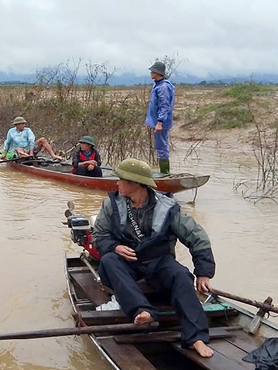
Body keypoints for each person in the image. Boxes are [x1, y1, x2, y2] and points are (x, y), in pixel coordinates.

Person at [92, 158, 216, 358]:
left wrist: (204, 272)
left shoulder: (166, 207)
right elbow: (99, 236)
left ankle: (195, 338)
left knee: (181, 275)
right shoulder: (111, 204)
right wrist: (115, 247)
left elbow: (197, 237)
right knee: (108, 260)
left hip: (158, 261)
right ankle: (142, 310)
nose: (117, 183)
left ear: (135, 184)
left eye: (121, 180)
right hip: (127, 262)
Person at [146, 61, 175, 175]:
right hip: (158, 121)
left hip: (161, 122)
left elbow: (164, 105)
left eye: (152, 71)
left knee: (161, 146)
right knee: (160, 146)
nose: (151, 73)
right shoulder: (157, 84)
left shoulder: (163, 86)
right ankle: (164, 172)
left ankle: (165, 174)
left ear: (157, 72)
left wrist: (159, 122)